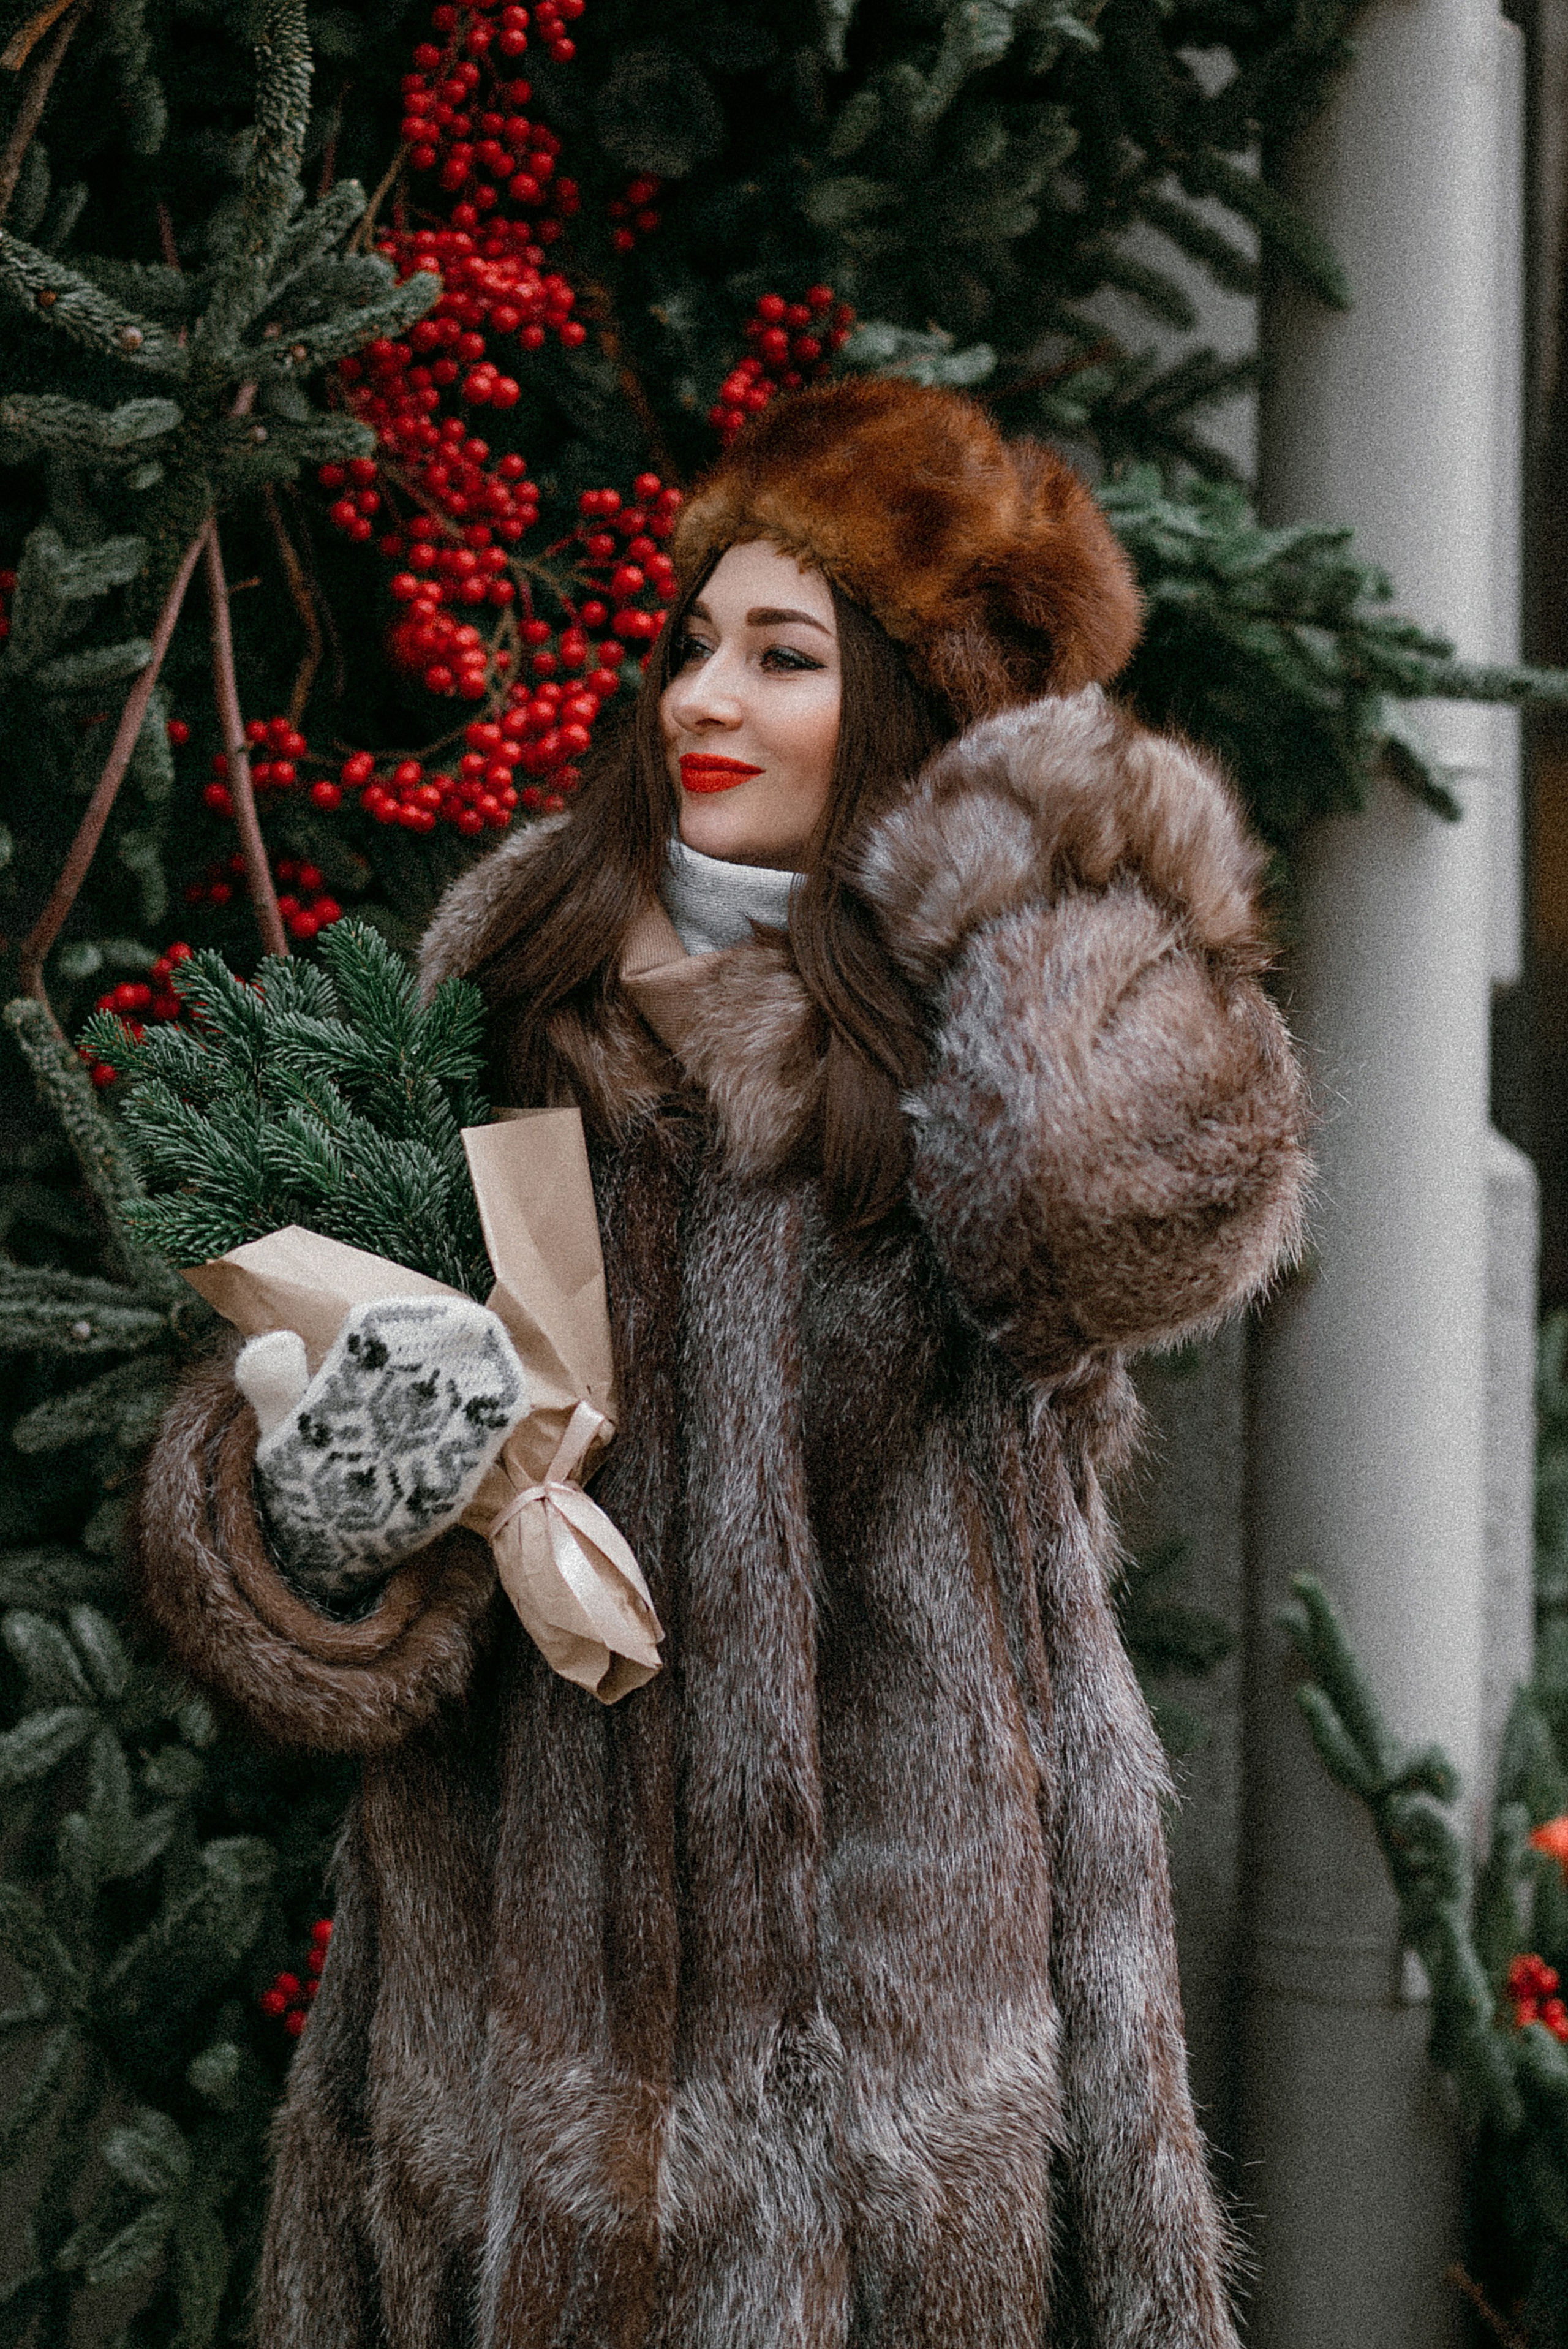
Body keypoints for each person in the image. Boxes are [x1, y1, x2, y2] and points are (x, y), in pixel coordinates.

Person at [138, 376, 1310, 2349]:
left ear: (921, 706)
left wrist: (1026, 864)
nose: (701, 696)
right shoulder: (519, 971)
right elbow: (292, 1501)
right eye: (694, 642)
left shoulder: (990, 1048)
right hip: (515, 2069)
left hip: (889, 2096)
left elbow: (1131, 1211)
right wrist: (394, 1456)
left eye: (785, 654)